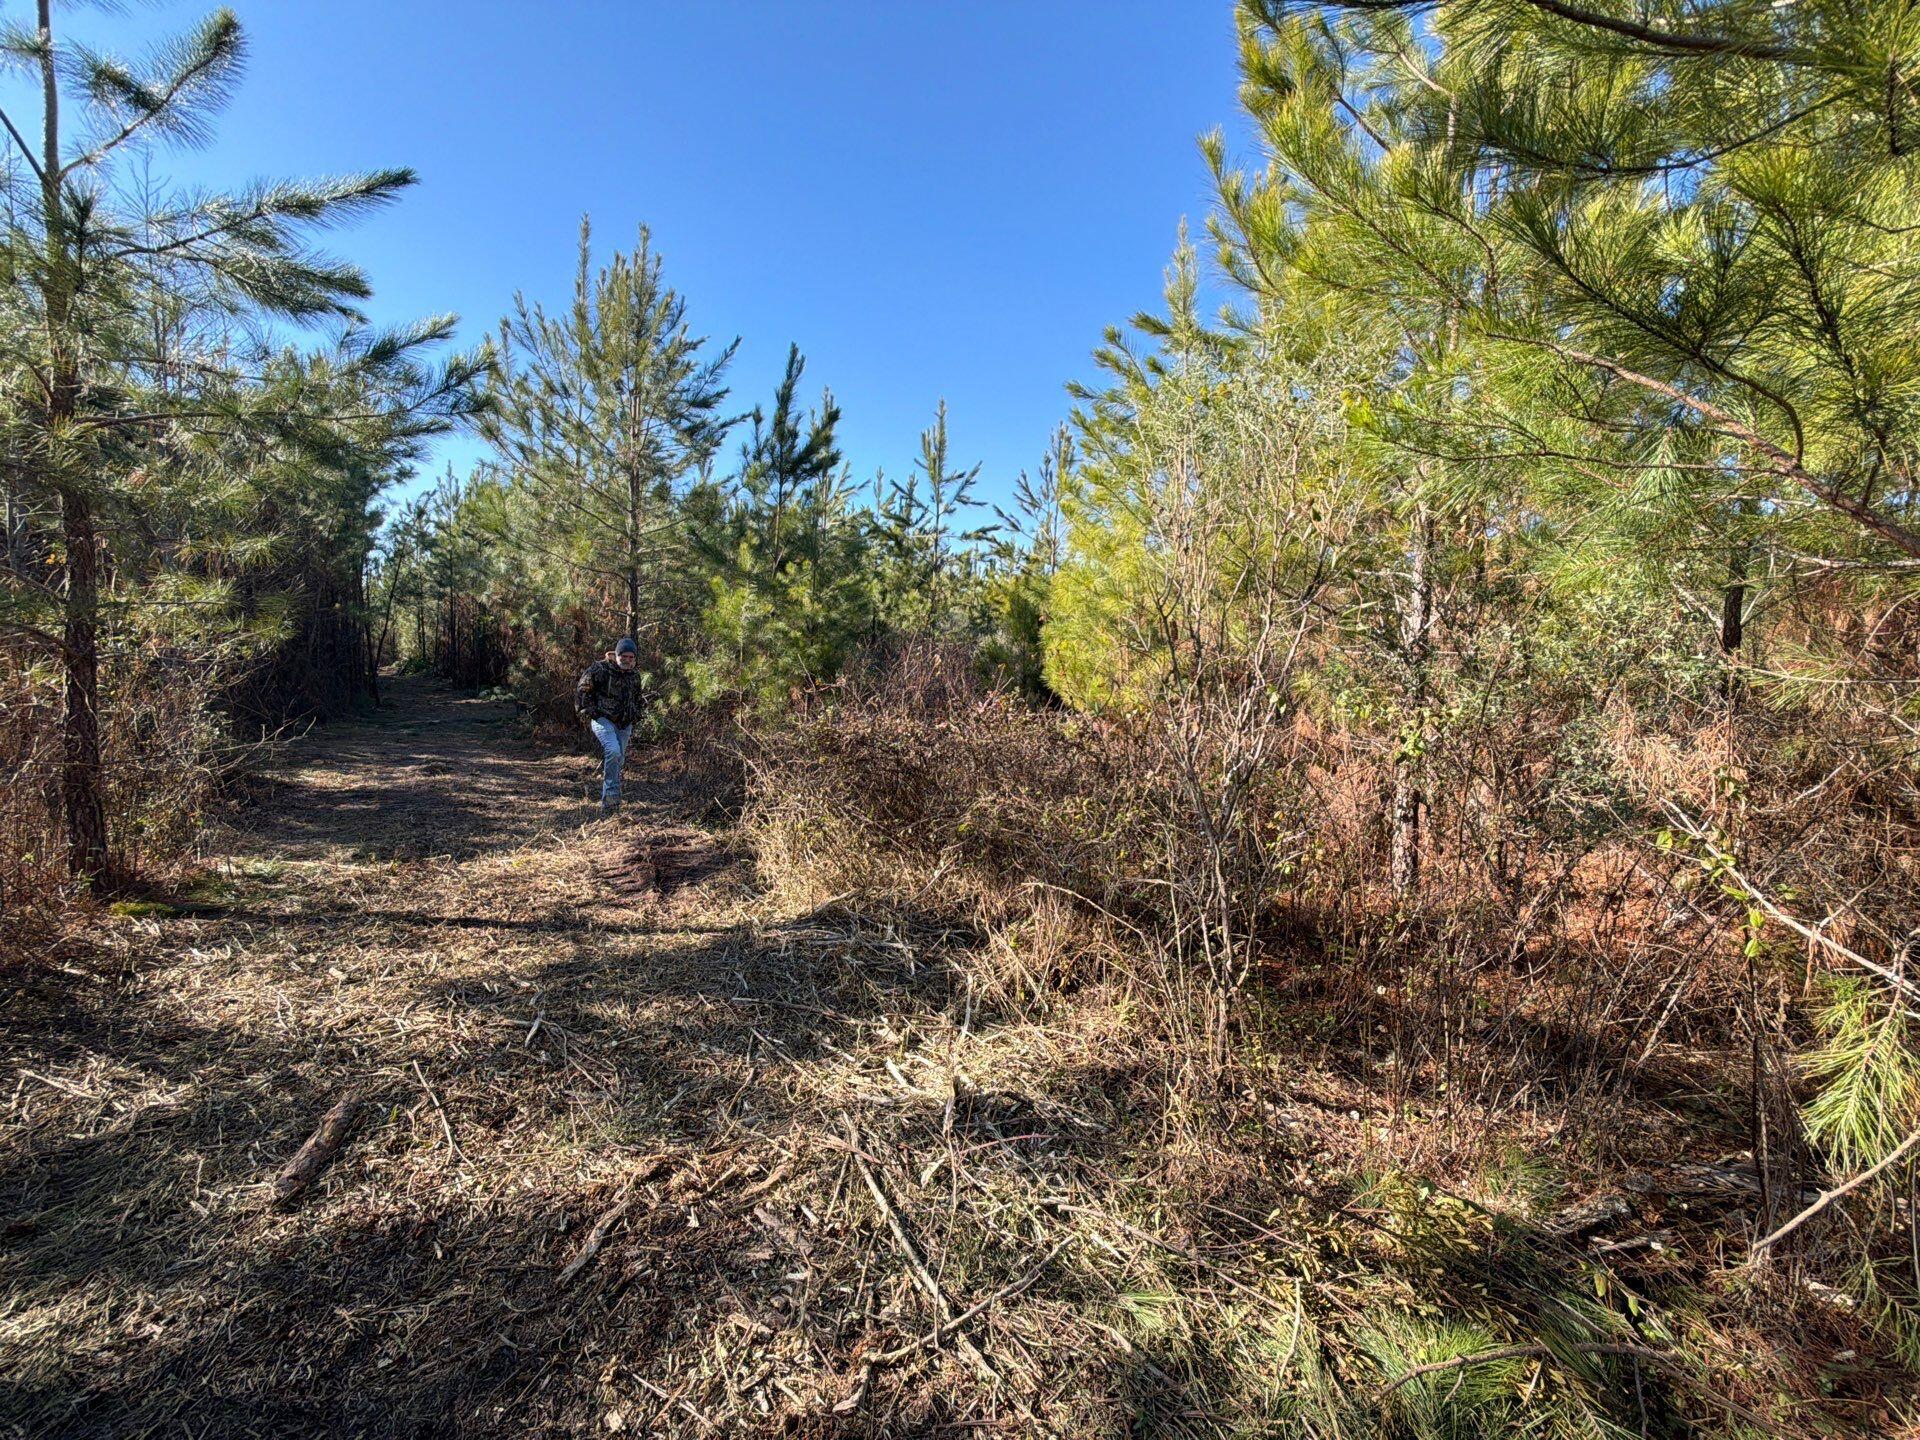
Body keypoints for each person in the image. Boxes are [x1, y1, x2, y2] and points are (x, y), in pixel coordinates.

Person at [575, 636, 645, 815]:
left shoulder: (635, 675)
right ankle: (610, 802)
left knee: (618, 758)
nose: (627, 660)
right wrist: (592, 712)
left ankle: (613, 800)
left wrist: (636, 714)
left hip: (624, 724)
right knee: (613, 751)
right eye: (624, 656)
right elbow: (583, 690)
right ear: (617, 654)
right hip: (603, 719)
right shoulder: (600, 669)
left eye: (631, 657)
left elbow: (637, 698)